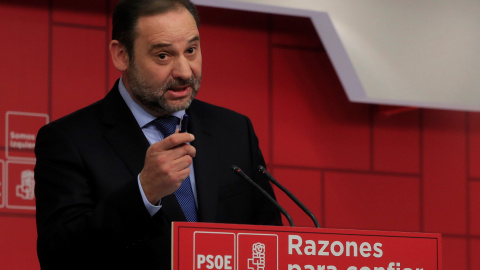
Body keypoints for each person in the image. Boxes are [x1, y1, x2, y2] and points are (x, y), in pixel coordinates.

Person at [33, 0, 282, 269]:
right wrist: (144, 192)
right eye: (163, 56)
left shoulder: (233, 130)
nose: (185, 71)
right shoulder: (68, 140)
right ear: (121, 55)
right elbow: (59, 256)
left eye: (191, 50)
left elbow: (269, 240)